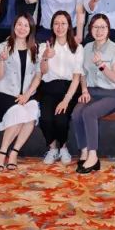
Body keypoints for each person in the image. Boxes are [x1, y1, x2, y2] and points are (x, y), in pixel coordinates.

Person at [72, 14, 115, 174]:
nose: (99, 31)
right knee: (76, 113)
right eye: (96, 27)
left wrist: (101, 65)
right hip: (92, 91)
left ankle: (93, 156)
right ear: (90, 29)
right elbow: (82, 73)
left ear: (108, 29)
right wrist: (84, 90)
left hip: (112, 93)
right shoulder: (87, 48)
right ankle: (84, 150)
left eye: (103, 27)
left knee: (89, 112)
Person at [0, 13, 42, 171]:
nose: (22, 28)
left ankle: (14, 152)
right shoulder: (3, 46)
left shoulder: (35, 48)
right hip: (5, 94)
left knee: (31, 113)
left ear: (31, 29)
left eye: (26, 25)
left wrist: (27, 94)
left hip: (26, 94)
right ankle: (2, 152)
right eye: (19, 24)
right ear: (14, 26)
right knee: (20, 112)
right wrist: (1, 60)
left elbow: (38, 75)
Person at [36, 10, 84, 165]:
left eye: (63, 23)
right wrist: (45, 57)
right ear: (52, 26)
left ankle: (63, 147)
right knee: (45, 119)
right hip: (49, 88)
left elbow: (76, 77)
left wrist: (66, 100)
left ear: (69, 26)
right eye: (56, 23)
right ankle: (52, 148)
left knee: (61, 119)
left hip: (69, 89)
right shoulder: (45, 46)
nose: (60, 27)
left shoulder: (77, 47)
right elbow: (42, 72)